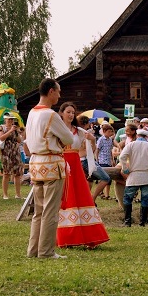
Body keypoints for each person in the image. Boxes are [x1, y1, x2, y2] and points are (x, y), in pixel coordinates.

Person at [26, 78, 74, 259]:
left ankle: (33, 250)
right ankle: (46, 252)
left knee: (38, 211)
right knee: (50, 211)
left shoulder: (31, 112)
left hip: (36, 163)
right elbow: (69, 138)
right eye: (59, 91)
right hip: (52, 164)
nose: (60, 95)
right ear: (51, 91)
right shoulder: (50, 115)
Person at [56, 102, 110, 248]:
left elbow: (91, 144)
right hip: (61, 164)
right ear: (61, 113)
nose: (71, 115)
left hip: (75, 164)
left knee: (81, 196)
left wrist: (91, 141)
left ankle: (90, 237)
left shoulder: (78, 131)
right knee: (65, 198)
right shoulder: (56, 129)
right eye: (68, 112)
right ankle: (66, 237)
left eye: (73, 112)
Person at [119, 128, 148, 227]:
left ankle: (127, 221)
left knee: (128, 199)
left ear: (137, 136)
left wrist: (125, 169)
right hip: (147, 176)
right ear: (146, 137)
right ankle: (142, 222)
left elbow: (122, 157)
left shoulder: (131, 145)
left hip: (134, 175)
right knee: (145, 199)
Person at [0, 112, 24, 199]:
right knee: (6, 173)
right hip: (6, 152)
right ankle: (5, 194)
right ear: (5, 119)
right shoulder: (2, 127)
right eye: (9, 119)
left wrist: (16, 131)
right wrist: (10, 130)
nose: (10, 121)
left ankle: (18, 194)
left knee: (17, 173)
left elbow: (19, 140)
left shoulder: (14, 128)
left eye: (12, 119)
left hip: (15, 152)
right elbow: (1, 138)